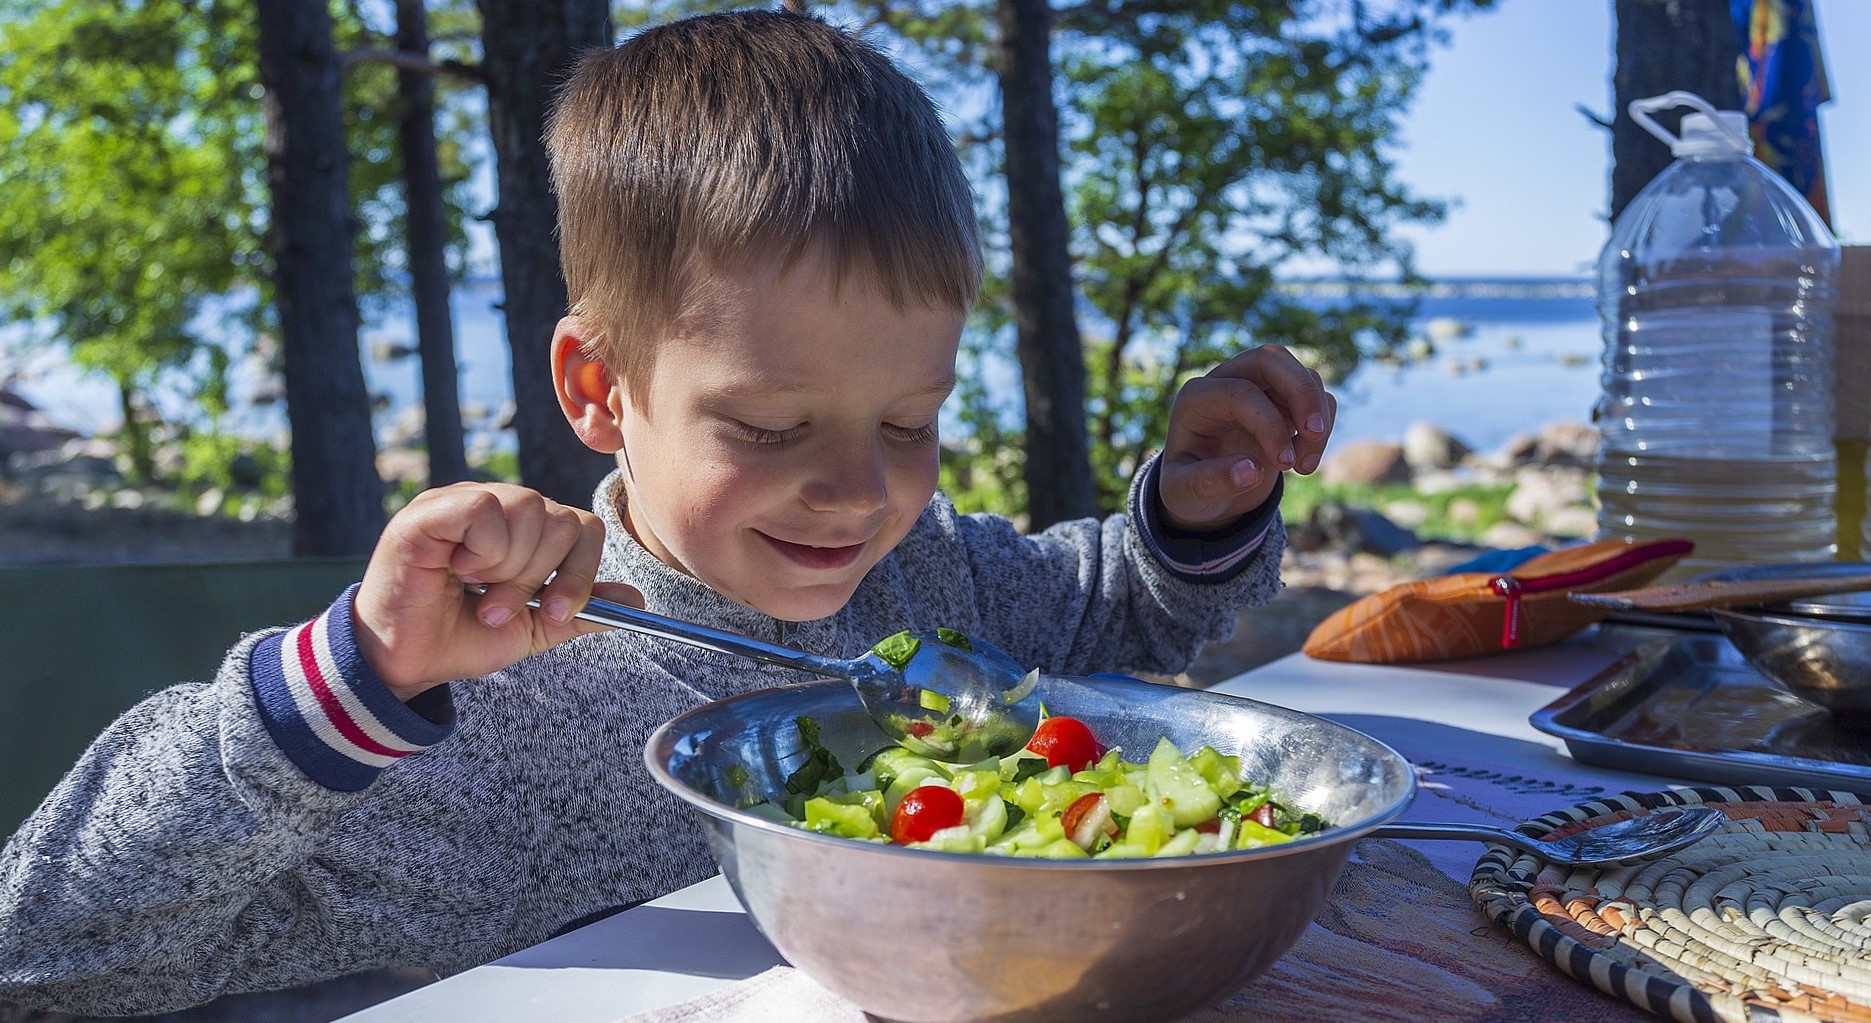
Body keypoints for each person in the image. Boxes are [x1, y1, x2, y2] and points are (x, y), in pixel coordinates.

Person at [0, 9, 1334, 1015]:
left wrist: (1194, 510)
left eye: (911, 423)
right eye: (768, 426)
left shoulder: (933, 590)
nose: (863, 490)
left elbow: (1127, 616)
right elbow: (46, 950)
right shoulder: (494, 713)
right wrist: (357, 680)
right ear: (599, 388)